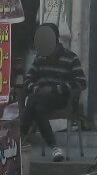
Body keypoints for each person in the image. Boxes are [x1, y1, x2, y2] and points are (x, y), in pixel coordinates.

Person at [22, 23, 87, 162]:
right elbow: (28, 80)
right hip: (40, 97)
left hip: (60, 99)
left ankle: (21, 136)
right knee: (38, 106)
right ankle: (54, 147)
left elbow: (81, 82)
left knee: (34, 102)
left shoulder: (71, 57)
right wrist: (38, 89)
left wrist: (55, 89)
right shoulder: (40, 58)